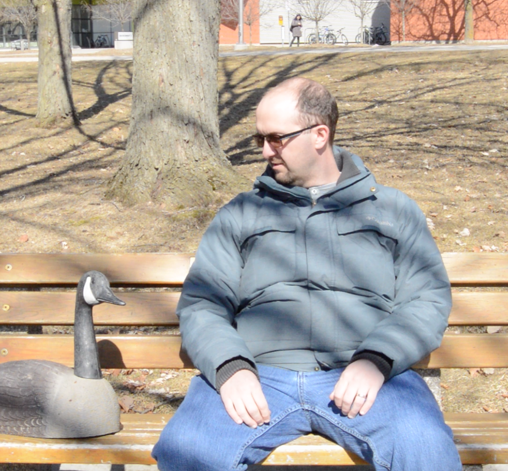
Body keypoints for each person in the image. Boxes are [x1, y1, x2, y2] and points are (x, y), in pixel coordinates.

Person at [151, 77, 461, 471]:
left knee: (425, 447)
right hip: (259, 377)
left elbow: (426, 299)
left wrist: (377, 358)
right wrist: (230, 368)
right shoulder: (241, 214)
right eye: (260, 138)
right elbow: (202, 304)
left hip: (364, 376)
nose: (265, 150)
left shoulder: (392, 210)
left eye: (276, 138)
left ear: (319, 135)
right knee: (187, 449)